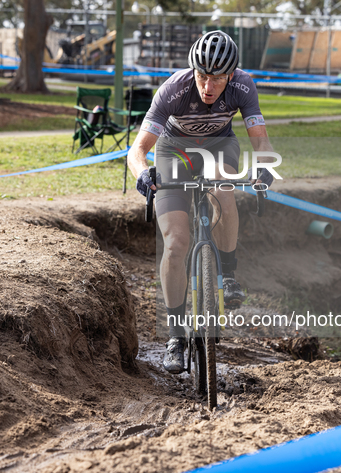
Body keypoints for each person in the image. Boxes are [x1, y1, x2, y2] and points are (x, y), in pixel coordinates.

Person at [127, 31, 275, 374]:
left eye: (218, 78)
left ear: (232, 75)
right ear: (193, 71)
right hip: (174, 153)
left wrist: (265, 167)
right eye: (202, 76)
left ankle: (229, 274)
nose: (209, 86)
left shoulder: (243, 86)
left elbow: (260, 139)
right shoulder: (173, 89)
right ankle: (176, 336)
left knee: (223, 187)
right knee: (177, 244)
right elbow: (138, 150)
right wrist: (142, 174)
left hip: (219, 148)